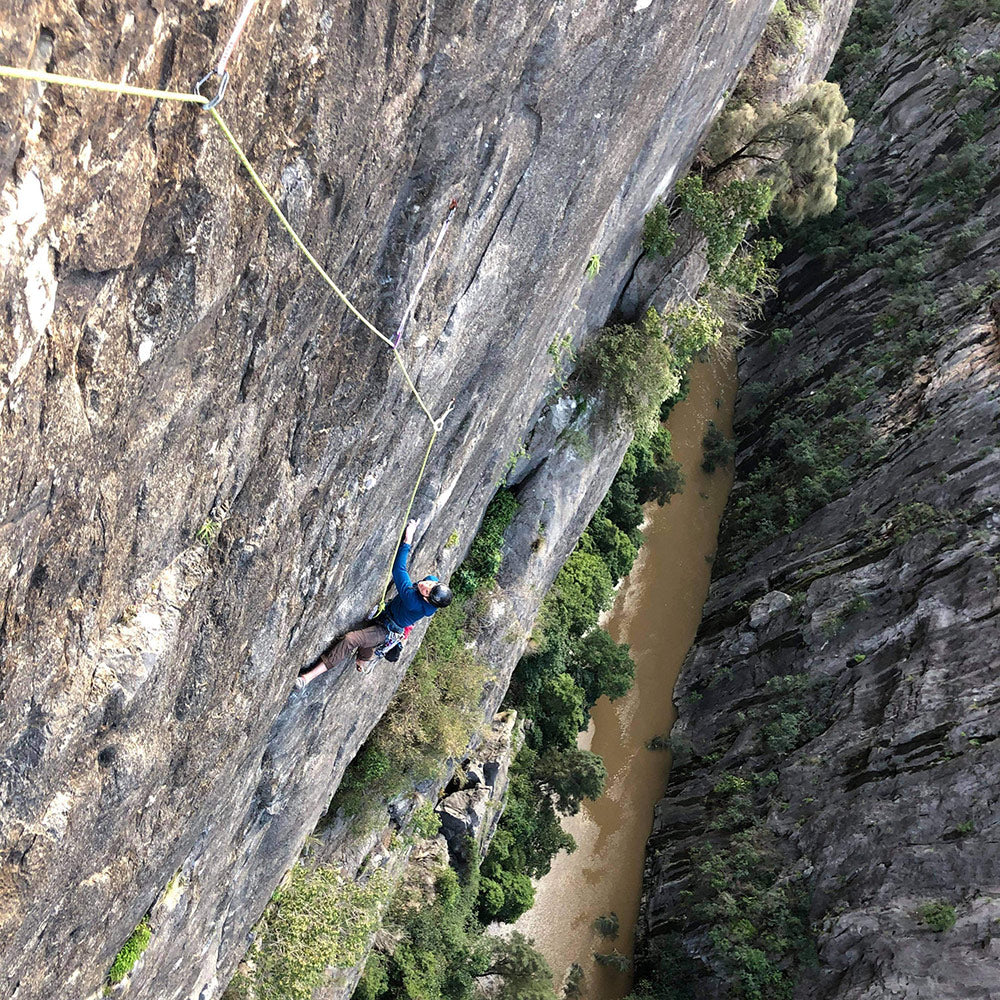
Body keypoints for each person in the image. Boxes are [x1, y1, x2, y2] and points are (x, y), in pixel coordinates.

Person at [295, 518, 453, 688]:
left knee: (351, 639)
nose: (425, 585)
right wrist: (431, 585)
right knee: (367, 639)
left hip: (387, 629)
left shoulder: (414, 601)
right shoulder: (432, 584)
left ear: (425, 599)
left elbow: (398, 569)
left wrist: (408, 539)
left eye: (427, 591)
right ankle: (363, 659)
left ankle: (307, 678)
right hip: (386, 615)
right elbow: (430, 581)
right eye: (431, 584)